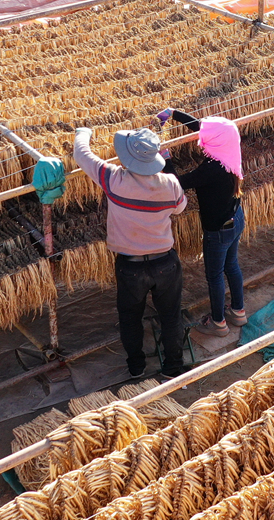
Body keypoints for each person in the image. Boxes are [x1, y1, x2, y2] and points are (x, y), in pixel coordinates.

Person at [73, 125, 189, 379]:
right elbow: (180, 208)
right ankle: (173, 367)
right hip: (165, 263)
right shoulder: (170, 183)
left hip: (130, 267)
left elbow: (81, 154)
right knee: (170, 316)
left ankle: (136, 367)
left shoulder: (113, 179)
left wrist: (84, 133)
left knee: (130, 318)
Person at [157, 108, 247, 337]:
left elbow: (178, 183)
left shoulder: (211, 169)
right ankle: (238, 312)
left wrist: (166, 159)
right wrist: (173, 113)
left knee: (215, 276)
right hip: (236, 218)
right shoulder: (229, 150)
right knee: (232, 265)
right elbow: (202, 127)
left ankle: (218, 323)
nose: (203, 137)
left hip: (218, 230)